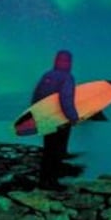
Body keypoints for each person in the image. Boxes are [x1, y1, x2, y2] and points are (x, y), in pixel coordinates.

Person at [32, 49, 79, 189]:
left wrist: (37, 116)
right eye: (66, 61)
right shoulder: (67, 77)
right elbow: (66, 99)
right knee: (57, 151)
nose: (68, 63)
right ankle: (52, 182)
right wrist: (73, 117)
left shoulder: (47, 75)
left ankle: (43, 180)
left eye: (68, 61)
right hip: (60, 120)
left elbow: (36, 97)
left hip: (46, 119)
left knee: (48, 150)